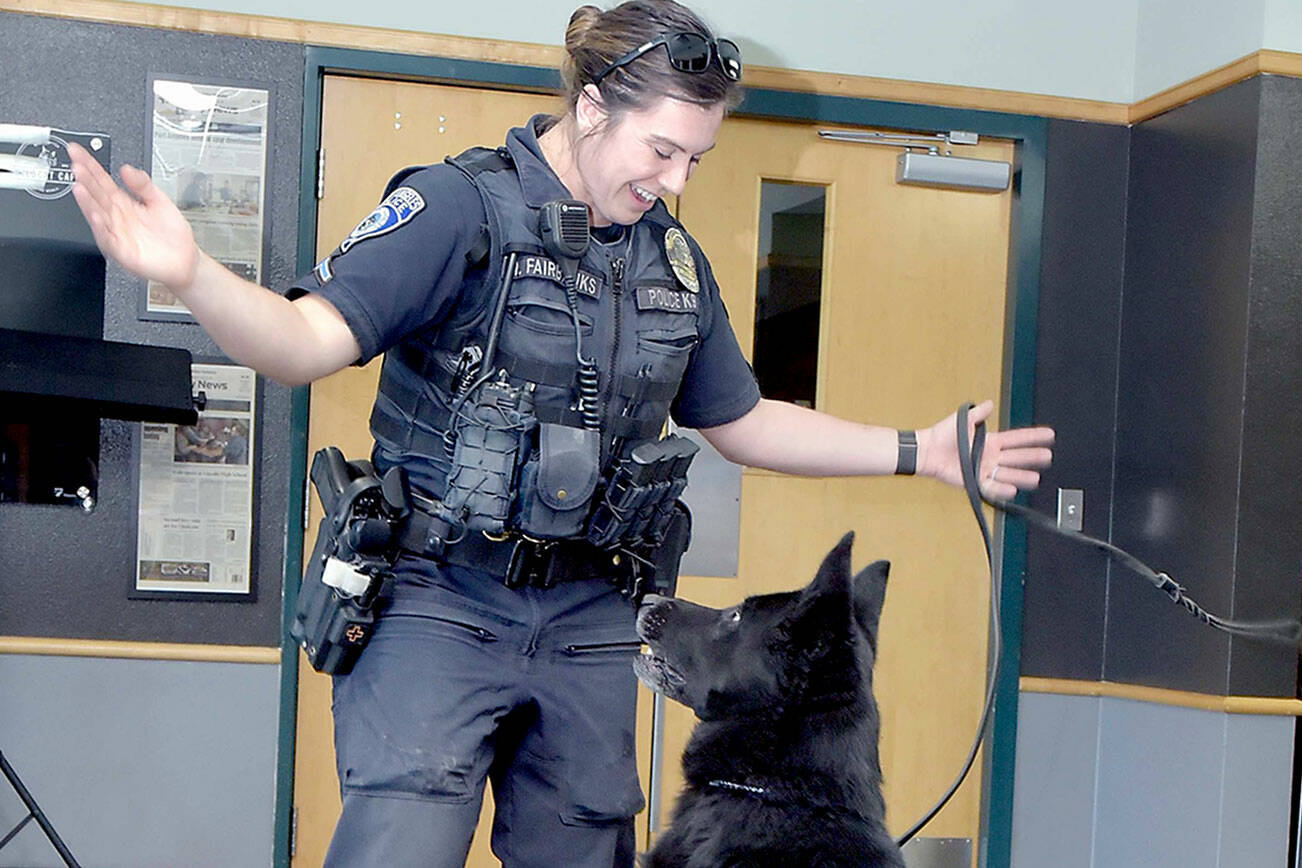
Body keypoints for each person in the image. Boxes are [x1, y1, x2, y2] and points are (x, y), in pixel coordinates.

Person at [67, 2, 1054, 865]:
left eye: (696, 159)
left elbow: (744, 422)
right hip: (436, 598)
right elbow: (300, 343)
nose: (677, 182)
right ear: (591, 106)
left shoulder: (674, 261)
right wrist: (192, 274)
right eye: (661, 151)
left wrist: (920, 450)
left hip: (591, 613)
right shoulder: (456, 208)